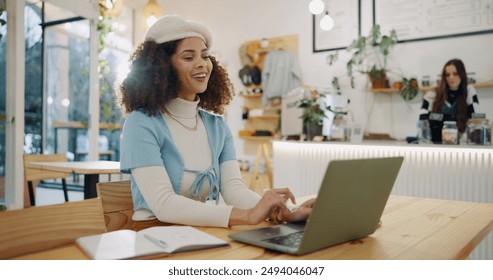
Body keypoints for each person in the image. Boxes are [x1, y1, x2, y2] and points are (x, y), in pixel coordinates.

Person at [116, 15, 313, 229]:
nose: (202, 64)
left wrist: (286, 212)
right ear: (162, 66)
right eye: (188, 57)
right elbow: (164, 204)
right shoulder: (141, 123)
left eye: (205, 56)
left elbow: (234, 190)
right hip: (154, 238)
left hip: (200, 235)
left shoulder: (217, 126)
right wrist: (248, 216)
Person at [419, 58, 479, 135]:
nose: (451, 77)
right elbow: (422, 117)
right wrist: (452, 118)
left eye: (455, 73)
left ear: (462, 74)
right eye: (447, 75)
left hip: (461, 140)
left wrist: (438, 117)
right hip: (436, 141)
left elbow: (475, 118)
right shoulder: (432, 93)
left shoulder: (469, 91)